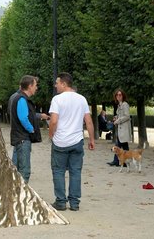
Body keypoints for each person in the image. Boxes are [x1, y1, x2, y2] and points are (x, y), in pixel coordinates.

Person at [48, 72, 95, 211]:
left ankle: (61, 202)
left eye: (57, 83)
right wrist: (91, 139)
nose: (55, 85)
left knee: (58, 171)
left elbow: (54, 120)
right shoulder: (82, 99)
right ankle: (74, 203)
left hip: (60, 141)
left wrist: (51, 134)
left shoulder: (57, 99)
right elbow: (88, 121)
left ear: (63, 83)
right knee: (75, 172)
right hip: (76, 141)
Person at [8, 75, 49, 184]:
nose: (36, 88)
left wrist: (39, 116)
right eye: (35, 85)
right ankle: (22, 196)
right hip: (23, 138)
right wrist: (31, 129)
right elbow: (23, 118)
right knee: (24, 171)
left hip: (18, 138)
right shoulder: (21, 99)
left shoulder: (16, 97)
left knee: (16, 169)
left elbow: (25, 114)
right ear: (30, 86)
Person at [107, 89, 132, 167]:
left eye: (120, 95)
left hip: (124, 128)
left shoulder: (125, 104)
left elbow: (127, 116)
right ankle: (123, 162)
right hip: (121, 129)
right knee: (123, 145)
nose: (118, 96)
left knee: (119, 145)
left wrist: (118, 121)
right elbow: (121, 115)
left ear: (123, 96)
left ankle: (118, 161)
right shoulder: (120, 105)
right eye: (117, 95)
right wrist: (116, 117)